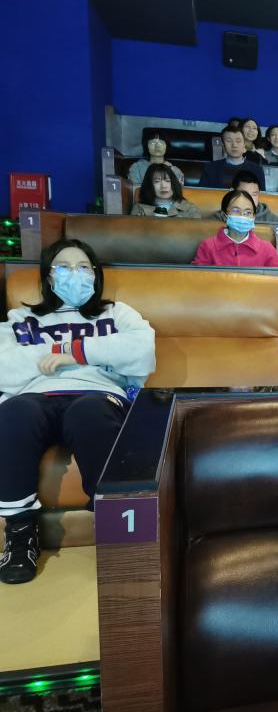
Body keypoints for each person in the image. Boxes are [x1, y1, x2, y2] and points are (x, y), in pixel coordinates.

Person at [0, 239, 156, 583]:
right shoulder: (22, 318)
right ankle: (20, 532)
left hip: (97, 394)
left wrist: (74, 353)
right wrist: (83, 350)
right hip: (35, 395)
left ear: (95, 275)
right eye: (64, 267)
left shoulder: (115, 313)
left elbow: (142, 350)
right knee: (14, 415)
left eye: (83, 267)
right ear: (49, 276)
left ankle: (120, 532)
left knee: (89, 414)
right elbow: (3, 365)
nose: (75, 273)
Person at [192, 189, 278, 267]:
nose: (242, 216)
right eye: (236, 210)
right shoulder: (208, 246)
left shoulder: (267, 249)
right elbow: (198, 277)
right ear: (224, 215)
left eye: (248, 212)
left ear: (254, 217)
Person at [200, 126, 266, 191]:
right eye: (229, 141)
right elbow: (202, 194)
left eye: (238, 141)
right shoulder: (210, 168)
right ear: (223, 145)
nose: (234, 145)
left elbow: (262, 195)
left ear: (244, 145)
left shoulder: (257, 170)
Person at [131, 163, 201, 218]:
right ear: (149, 185)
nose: (163, 186)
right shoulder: (139, 209)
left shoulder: (189, 209)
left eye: (167, 181)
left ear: (174, 184)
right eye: (157, 181)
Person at [210, 170, 278, 223]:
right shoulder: (217, 219)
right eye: (244, 194)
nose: (249, 199)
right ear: (232, 192)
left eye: (254, 194)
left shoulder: (274, 221)